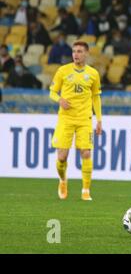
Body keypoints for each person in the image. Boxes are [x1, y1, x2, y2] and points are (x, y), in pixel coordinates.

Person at [49, 41, 103, 201]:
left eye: (79, 51)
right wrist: (60, 100)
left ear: (86, 54)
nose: (76, 54)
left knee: (86, 153)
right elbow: (52, 92)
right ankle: (63, 180)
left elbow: (96, 97)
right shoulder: (63, 71)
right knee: (62, 157)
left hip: (84, 119)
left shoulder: (93, 74)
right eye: (74, 51)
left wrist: (99, 119)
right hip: (65, 119)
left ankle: (86, 190)